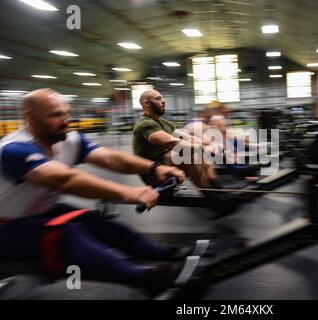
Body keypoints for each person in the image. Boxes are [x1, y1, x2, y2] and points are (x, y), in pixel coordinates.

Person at [0, 88, 189, 296]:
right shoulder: (14, 149)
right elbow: (65, 180)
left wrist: (154, 168)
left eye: (66, 113)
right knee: (66, 233)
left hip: (34, 213)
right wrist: (129, 192)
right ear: (30, 118)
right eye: (55, 115)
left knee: (90, 220)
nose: (65, 120)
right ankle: (145, 278)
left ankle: (162, 253)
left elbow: (111, 158)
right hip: (5, 226)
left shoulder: (69, 141)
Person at [132, 89, 221, 190]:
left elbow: (187, 137)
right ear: (147, 104)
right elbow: (172, 142)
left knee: (200, 154)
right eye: (158, 98)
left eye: (162, 98)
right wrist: (203, 148)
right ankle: (210, 193)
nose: (164, 101)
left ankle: (215, 185)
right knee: (189, 152)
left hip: (166, 164)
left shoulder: (165, 123)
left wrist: (210, 143)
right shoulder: (145, 123)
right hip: (153, 172)